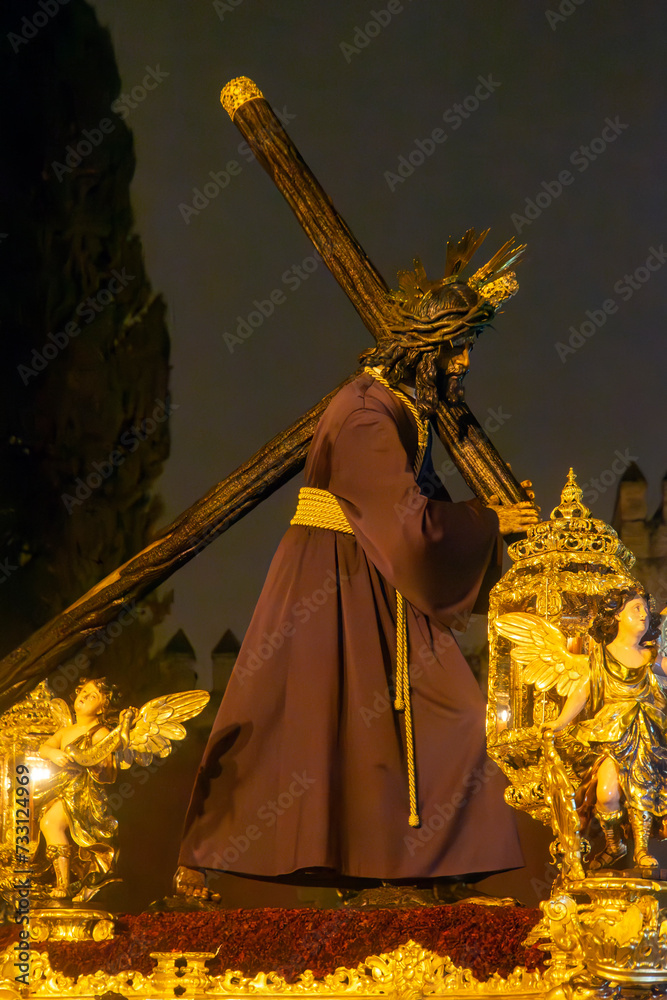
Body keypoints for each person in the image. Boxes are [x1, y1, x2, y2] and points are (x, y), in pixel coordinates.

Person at [177, 233, 540, 901]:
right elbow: (404, 522)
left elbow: (407, 508)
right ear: (422, 350)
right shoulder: (368, 414)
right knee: (368, 720)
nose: (462, 362)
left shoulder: (393, 406)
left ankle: (422, 865)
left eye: (466, 347)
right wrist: (488, 521)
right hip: (342, 576)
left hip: (372, 569)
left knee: (418, 716)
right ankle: (395, 862)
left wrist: (474, 516)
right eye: (453, 348)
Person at [547, 588, 667, 869]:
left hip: (646, 736)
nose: (644, 615)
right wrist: (560, 721)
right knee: (607, 793)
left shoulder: (651, 658)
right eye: (636, 608)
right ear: (617, 615)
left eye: (645, 610)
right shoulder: (600, 658)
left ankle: (641, 850)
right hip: (611, 735)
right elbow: (582, 691)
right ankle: (615, 846)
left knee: (641, 789)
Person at [36, 678, 125, 899]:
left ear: (102, 708)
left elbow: (107, 770)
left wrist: (97, 765)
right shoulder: (66, 730)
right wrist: (54, 753)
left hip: (83, 793)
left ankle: (63, 885)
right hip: (60, 787)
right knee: (41, 819)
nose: (84, 696)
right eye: (84, 691)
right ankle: (62, 882)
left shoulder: (100, 733)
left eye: (93, 696)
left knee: (50, 823)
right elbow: (44, 748)